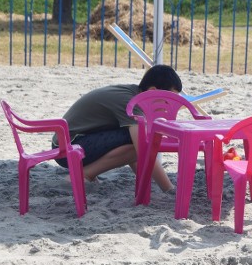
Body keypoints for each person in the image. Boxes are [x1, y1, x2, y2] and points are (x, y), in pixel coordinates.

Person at [52, 64, 181, 193]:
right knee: (139, 140)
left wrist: (146, 183)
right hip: (67, 149)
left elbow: (137, 154)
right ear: (153, 91)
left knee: (136, 139)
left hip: (70, 142)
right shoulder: (131, 103)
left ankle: (88, 173)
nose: (170, 105)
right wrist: (168, 188)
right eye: (168, 99)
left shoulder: (133, 93)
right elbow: (143, 149)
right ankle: (82, 175)